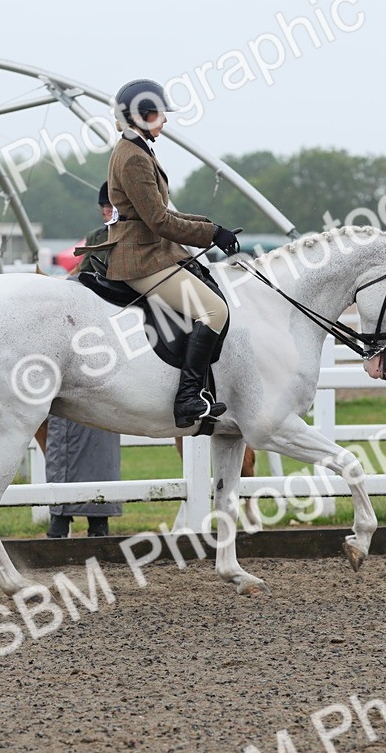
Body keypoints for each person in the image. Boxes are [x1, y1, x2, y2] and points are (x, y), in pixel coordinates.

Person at [103, 78, 239, 428]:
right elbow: (160, 221)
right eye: (159, 114)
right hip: (140, 258)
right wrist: (210, 233)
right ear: (140, 116)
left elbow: (167, 213)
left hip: (149, 250)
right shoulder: (132, 157)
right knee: (214, 311)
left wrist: (212, 227)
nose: (164, 120)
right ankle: (188, 399)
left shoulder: (137, 149)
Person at [46, 183, 123, 538]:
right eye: (105, 206)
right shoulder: (97, 238)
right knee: (63, 434)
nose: (109, 211)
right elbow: (82, 280)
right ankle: (61, 518)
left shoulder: (122, 236)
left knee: (94, 437)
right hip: (86, 342)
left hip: (106, 345)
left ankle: (95, 520)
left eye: (112, 205)